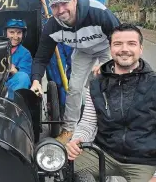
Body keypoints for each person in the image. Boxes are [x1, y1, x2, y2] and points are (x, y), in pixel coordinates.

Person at [30, 0, 120, 144]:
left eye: (64, 3)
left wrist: (109, 64)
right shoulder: (52, 26)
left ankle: (112, 127)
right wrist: (36, 80)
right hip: (83, 51)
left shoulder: (98, 12)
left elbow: (121, 38)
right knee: (75, 87)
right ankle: (69, 129)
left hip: (109, 47)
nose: (61, 10)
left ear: (74, 0)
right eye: (55, 6)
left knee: (109, 83)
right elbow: (41, 58)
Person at [66, 24, 156, 182]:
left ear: (141, 49)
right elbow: (88, 122)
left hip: (144, 161)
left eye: (131, 44)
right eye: (118, 44)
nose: (124, 49)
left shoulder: (153, 83)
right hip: (105, 153)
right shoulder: (96, 83)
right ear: (110, 48)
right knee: (60, 166)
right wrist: (77, 139)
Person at [19, 0, 107, 108]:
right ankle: (61, 112)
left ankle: (81, 112)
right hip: (52, 36)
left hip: (73, 34)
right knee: (56, 78)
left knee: (75, 76)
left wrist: (88, 17)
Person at [3, 19, 32, 99]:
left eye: (19, 33)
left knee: (23, 77)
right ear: (5, 33)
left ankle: (15, 107)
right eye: (12, 32)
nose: (15, 37)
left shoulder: (25, 53)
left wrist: (13, 69)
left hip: (12, 86)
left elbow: (25, 77)